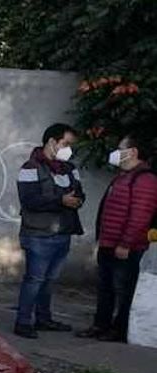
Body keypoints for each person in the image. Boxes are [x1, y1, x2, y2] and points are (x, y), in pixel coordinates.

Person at [77, 135, 157, 342]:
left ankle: (119, 329)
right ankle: (100, 325)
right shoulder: (123, 176)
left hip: (126, 246)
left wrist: (125, 243)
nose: (115, 152)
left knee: (123, 289)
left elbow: (140, 215)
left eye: (120, 148)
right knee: (105, 288)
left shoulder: (145, 179)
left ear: (133, 152)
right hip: (109, 243)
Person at [14, 123, 85, 338]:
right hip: (38, 235)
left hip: (62, 232)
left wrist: (77, 200)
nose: (69, 149)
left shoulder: (70, 168)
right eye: (66, 144)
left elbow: (80, 193)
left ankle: (43, 319)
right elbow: (29, 199)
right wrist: (61, 199)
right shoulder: (30, 168)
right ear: (52, 142)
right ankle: (23, 322)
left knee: (49, 280)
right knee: (34, 279)